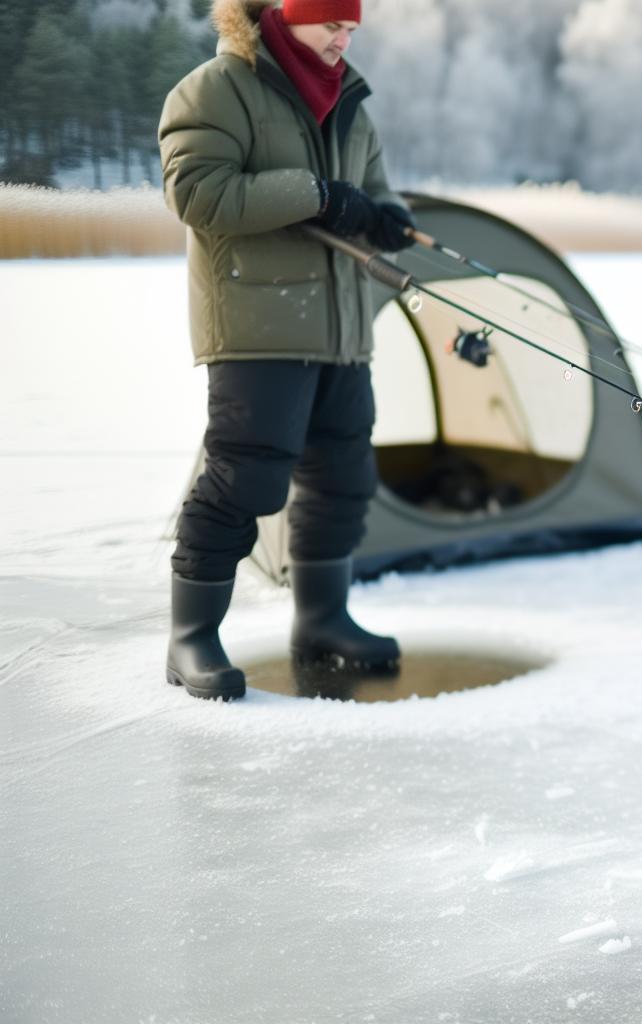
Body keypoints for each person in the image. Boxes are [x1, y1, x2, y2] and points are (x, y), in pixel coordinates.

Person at [158, 0, 415, 701]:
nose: (344, 36)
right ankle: (191, 639)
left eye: (352, 25)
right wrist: (317, 196)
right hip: (256, 324)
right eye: (331, 21)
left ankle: (325, 620)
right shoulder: (215, 88)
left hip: (340, 330)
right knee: (245, 478)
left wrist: (388, 218)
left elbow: (375, 192)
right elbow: (198, 192)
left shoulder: (351, 102)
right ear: (284, 14)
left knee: (344, 478)